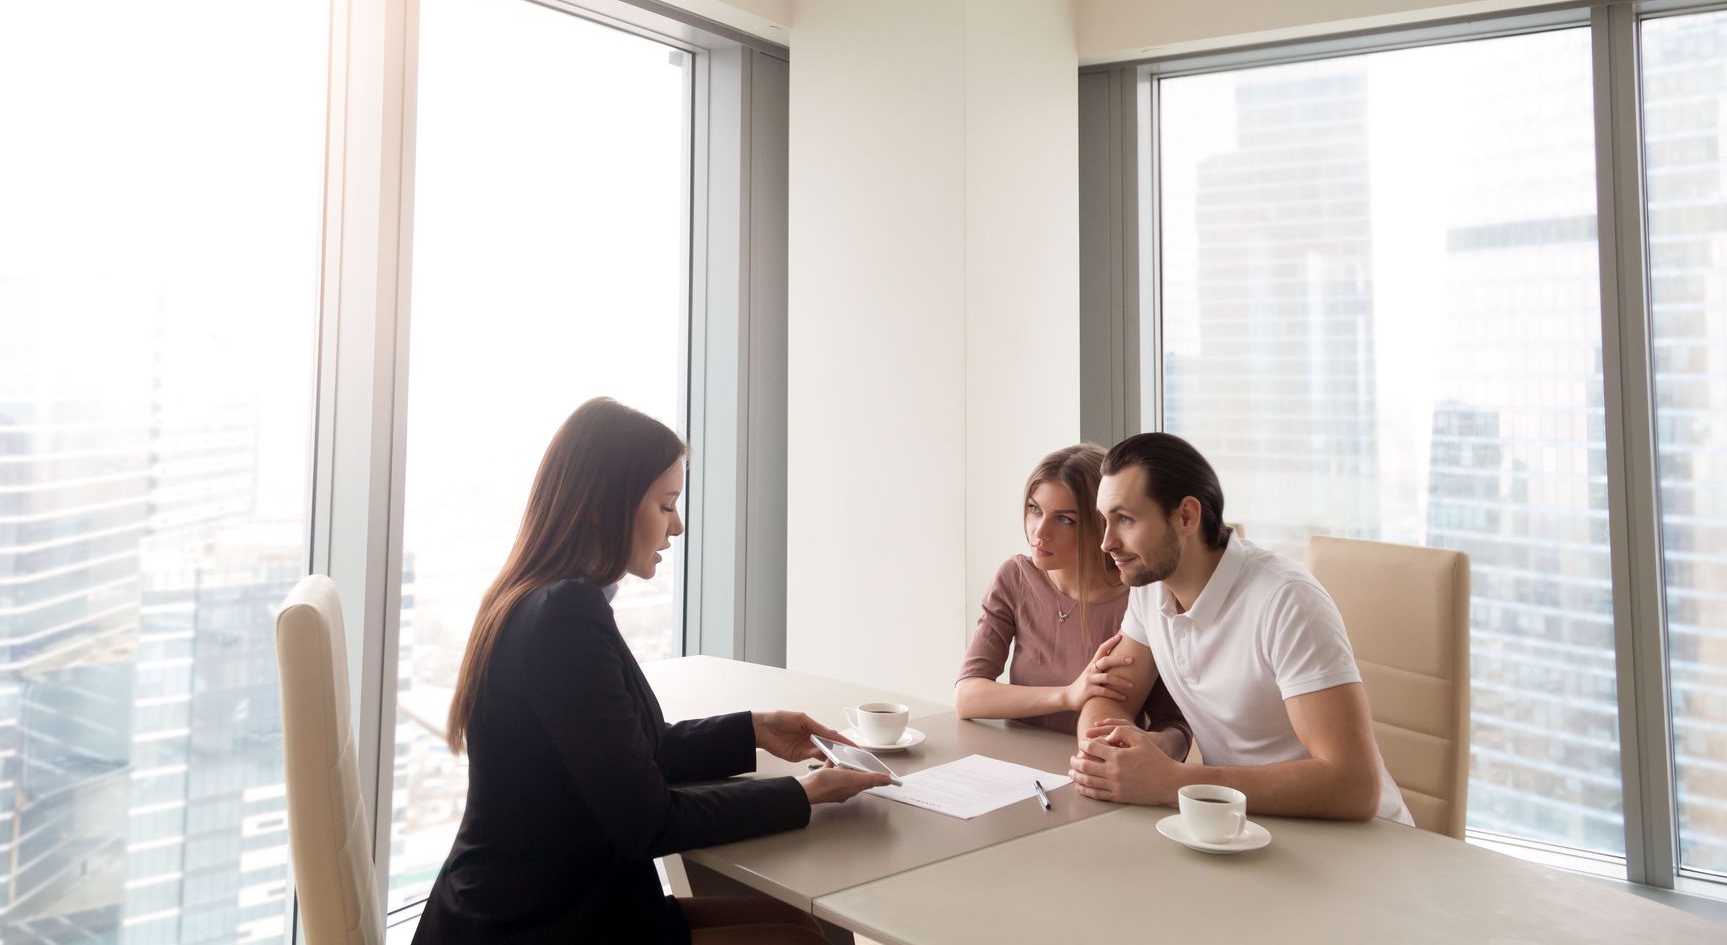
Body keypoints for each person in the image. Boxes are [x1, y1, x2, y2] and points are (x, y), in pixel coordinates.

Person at [413, 397, 888, 945]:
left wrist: (753, 730)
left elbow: (630, 755)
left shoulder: (545, 599)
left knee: (813, 929)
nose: (678, 526)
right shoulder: (565, 617)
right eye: (666, 506)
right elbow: (648, 820)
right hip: (537, 925)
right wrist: (804, 793)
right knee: (805, 941)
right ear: (603, 506)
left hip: (564, 907)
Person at [1066, 432, 1412, 824]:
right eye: (1104, 521)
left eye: (1125, 519)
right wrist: (1106, 755)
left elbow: (1354, 786)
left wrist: (1174, 783)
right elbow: (1111, 696)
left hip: (1357, 843)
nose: (1106, 543)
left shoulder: (1285, 599)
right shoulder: (1150, 587)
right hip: (1237, 825)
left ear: (1186, 517)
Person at [955, 443, 1190, 745]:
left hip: (1101, 773)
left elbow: (1174, 725)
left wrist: (1155, 752)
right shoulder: (1015, 577)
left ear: (1102, 524)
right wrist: (1068, 695)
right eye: (1034, 509)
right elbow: (968, 697)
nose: (1040, 531)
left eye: (1065, 519)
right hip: (1015, 767)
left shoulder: (1142, 599)